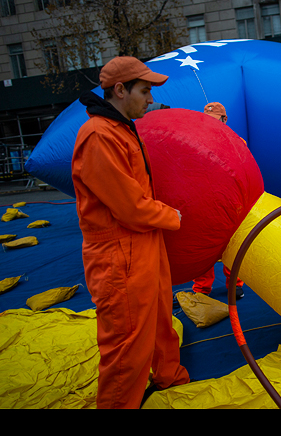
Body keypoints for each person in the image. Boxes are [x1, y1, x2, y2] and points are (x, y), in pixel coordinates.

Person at [72, 56, 190, 409]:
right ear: (120, 90)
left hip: (141, 242)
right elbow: (129, 207)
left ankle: (168, 375)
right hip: (118, 253)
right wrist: (173, 217)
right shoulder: (97, 136)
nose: (150, 100)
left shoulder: (121, 128)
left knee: (158, 318)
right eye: (145, 91)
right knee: (127, 343)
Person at [191, 102, 245, 299]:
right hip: (202, 202)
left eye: (215, 121)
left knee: (232, 243)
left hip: (228, 203)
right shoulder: (193, 141)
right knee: (202, 246)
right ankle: (201, 289)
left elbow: (242, 173)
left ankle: (235, 284)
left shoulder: (238, 142)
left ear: (225, 119)